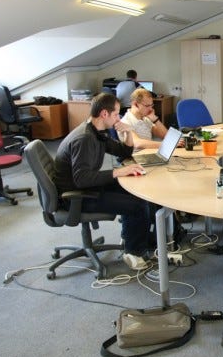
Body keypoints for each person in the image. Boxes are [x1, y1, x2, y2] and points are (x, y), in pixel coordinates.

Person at [53, 92, 155, 270]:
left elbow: (123, 152)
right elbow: (81, 179)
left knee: (138, 190)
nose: (118, 118)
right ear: (104, 114)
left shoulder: (97, 131)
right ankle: (133, 252)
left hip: (87, 186)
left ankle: (132, 237)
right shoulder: (85, 138)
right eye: (115, 114)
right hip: (76, 196)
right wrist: (118, 172)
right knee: (137, 204)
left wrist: (128, 132)